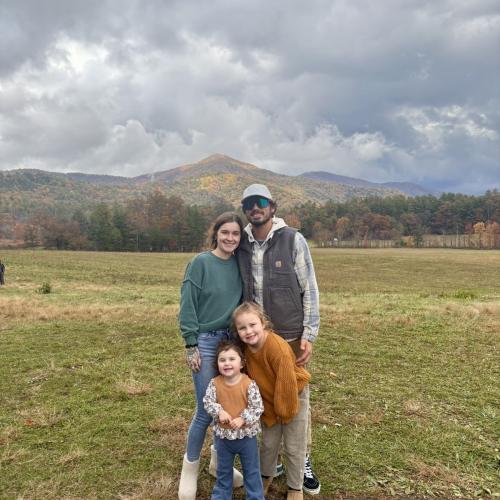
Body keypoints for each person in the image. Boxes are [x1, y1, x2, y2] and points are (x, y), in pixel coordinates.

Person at [237, 184, 321, 495]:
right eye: (249, 203)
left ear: (272, 206)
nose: (255, 207)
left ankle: (302, 460)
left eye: (261, 202)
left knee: (296, 399)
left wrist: (309, 333)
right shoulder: (242, 244)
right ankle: (272, 464)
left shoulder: (292, 239)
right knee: (266, 399)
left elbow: (309, 288)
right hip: (255, 342)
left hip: (290, 337)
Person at [178, 212, 245, 500]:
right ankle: (190, 468)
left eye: (235, 233)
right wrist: (191, 344)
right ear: (215, 233)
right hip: (205, 342)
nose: (230, 238)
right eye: (225, 232)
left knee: (226, 403)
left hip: (230, 342)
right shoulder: (200, 263)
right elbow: (188, 304)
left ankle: (219, 463)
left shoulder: (239, 265)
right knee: (206, 409)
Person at [233, 302, 310, 500]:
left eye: (252, 325)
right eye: (242, 328)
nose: (248, 331)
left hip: (292, 398)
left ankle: (295, 487)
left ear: (263, 323)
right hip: (269, 400)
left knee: (294, 445)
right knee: (268, 444)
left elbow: (286, 383)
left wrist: (283, 413)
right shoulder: (246, 349)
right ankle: (265, 476)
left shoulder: (277, 348)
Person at [203, 341, 264, 500]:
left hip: (247, 438)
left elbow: (257, 407)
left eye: (232, 359)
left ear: (242, 363)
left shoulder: (249, 384)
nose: (227, 363)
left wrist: (243, 418)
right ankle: (221, 496)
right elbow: (207, 402)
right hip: (223, 439)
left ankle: (255, 496)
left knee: (251, 471)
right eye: (222, 360)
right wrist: (219, 411)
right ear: (217, 364)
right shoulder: (214, 383)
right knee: (223, 471)